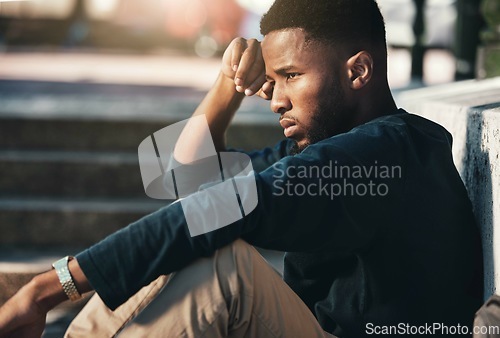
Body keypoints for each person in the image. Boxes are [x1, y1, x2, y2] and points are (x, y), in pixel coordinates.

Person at [0, 0, 483, 337]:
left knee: (223, 264)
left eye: (290, 76)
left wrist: (48, 289)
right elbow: (186, 181)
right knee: (176, 247)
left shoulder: (383, 156)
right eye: (271, 82)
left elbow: (214, 209)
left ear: (357, 71)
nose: (275, 100)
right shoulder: (331, 150)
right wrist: (227, 86)